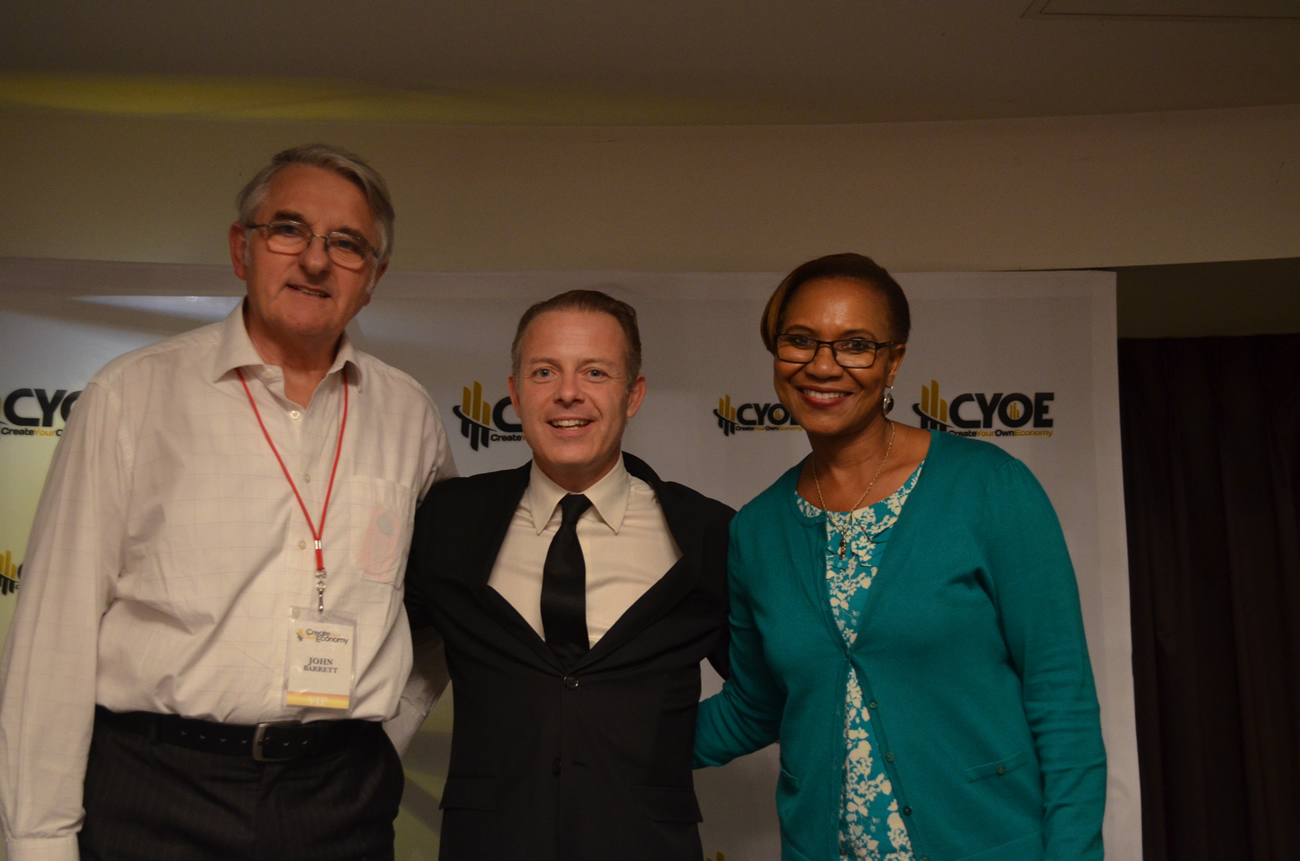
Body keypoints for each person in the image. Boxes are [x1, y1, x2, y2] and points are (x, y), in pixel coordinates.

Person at [0, 144, 456, 861]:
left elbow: (440, 609)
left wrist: (377, 734)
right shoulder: (131, 395)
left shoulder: (410, 415)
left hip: (340, 799)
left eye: (347, 243)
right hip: (158, 790)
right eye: (289, 230)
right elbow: (55, 631)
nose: (315, 260)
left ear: (373, 278)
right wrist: (37, 840)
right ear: (241, 249)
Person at [693, 253, 1106, 861]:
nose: (822, 365)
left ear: (894, 362)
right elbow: (756, 706)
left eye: (855, 344)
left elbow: (1060, 698)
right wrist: (606, 741)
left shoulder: (988, 487)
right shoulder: (757, 530)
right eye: (800, 340)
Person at [404, 290, 733, 861]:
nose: (568, 393)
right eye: (544, 372)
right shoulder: (447, 521)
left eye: (595, 372)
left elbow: (767, 686)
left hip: (647, 845)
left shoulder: (708, 532)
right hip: (488, 845)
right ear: (515, 392)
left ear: (634, 394)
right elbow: (374, 646)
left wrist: (669, 746)